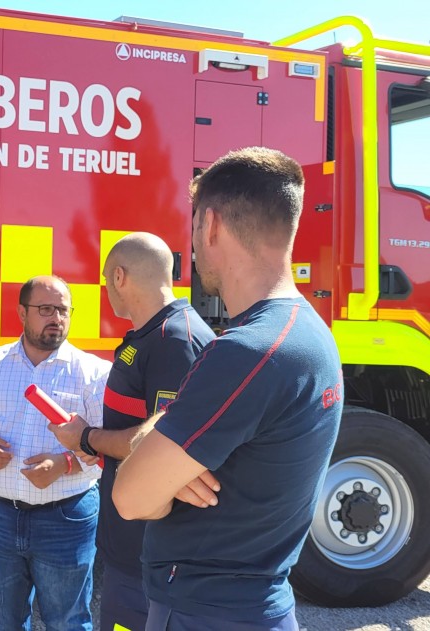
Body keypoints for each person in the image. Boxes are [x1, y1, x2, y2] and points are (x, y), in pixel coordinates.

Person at [113, 147, 343, 630]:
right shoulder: (307, 333)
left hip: (204, 612)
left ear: (211, 225)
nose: (192, 246)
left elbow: (131, 498)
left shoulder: (247, 351)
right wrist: (163, 451)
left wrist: (155, 454)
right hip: (253, 603)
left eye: (194, 227)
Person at [49, 234, 216, 631]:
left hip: (154, 554)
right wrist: (103, 448)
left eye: (107, 279)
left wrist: (87, 438)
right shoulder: (152, 335)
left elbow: (163, 446)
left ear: (120, 277)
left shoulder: (176, 341)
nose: (107, 289)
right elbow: (138, 431)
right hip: (133, 548)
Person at [0, 275, 109, 631]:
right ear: (22, 312)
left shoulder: (93, 373)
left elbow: (104, 449)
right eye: (45, 309)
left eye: (63, 310)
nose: (56, 318)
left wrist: (64, 464)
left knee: (68, 622)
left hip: (66, 517)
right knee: (3, 622)